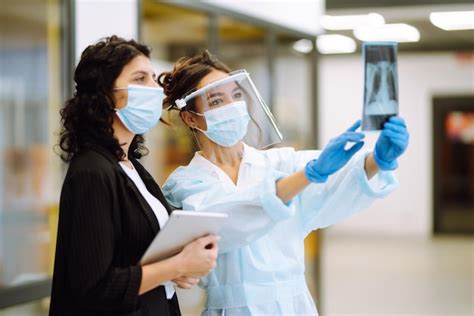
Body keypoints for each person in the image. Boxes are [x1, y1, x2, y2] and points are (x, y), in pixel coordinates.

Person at [158, 51, 409, 315]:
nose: (232, 106)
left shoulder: (281, 163)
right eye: (217, 100)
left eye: (237, 95)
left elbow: (339, 181)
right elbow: (227, 222)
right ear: (190, 118)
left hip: (294, 305)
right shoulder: (184, 184)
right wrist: (308, 176)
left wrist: (380, 159)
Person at [49, 36, 219, 316]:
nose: (154, 89)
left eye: (153, 78)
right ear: (105, 94)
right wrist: (177, 265)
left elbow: (134, 259)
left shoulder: (132, 167)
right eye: (140, 78)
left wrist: (177, 269)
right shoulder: (92, 172)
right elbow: (93, 288)